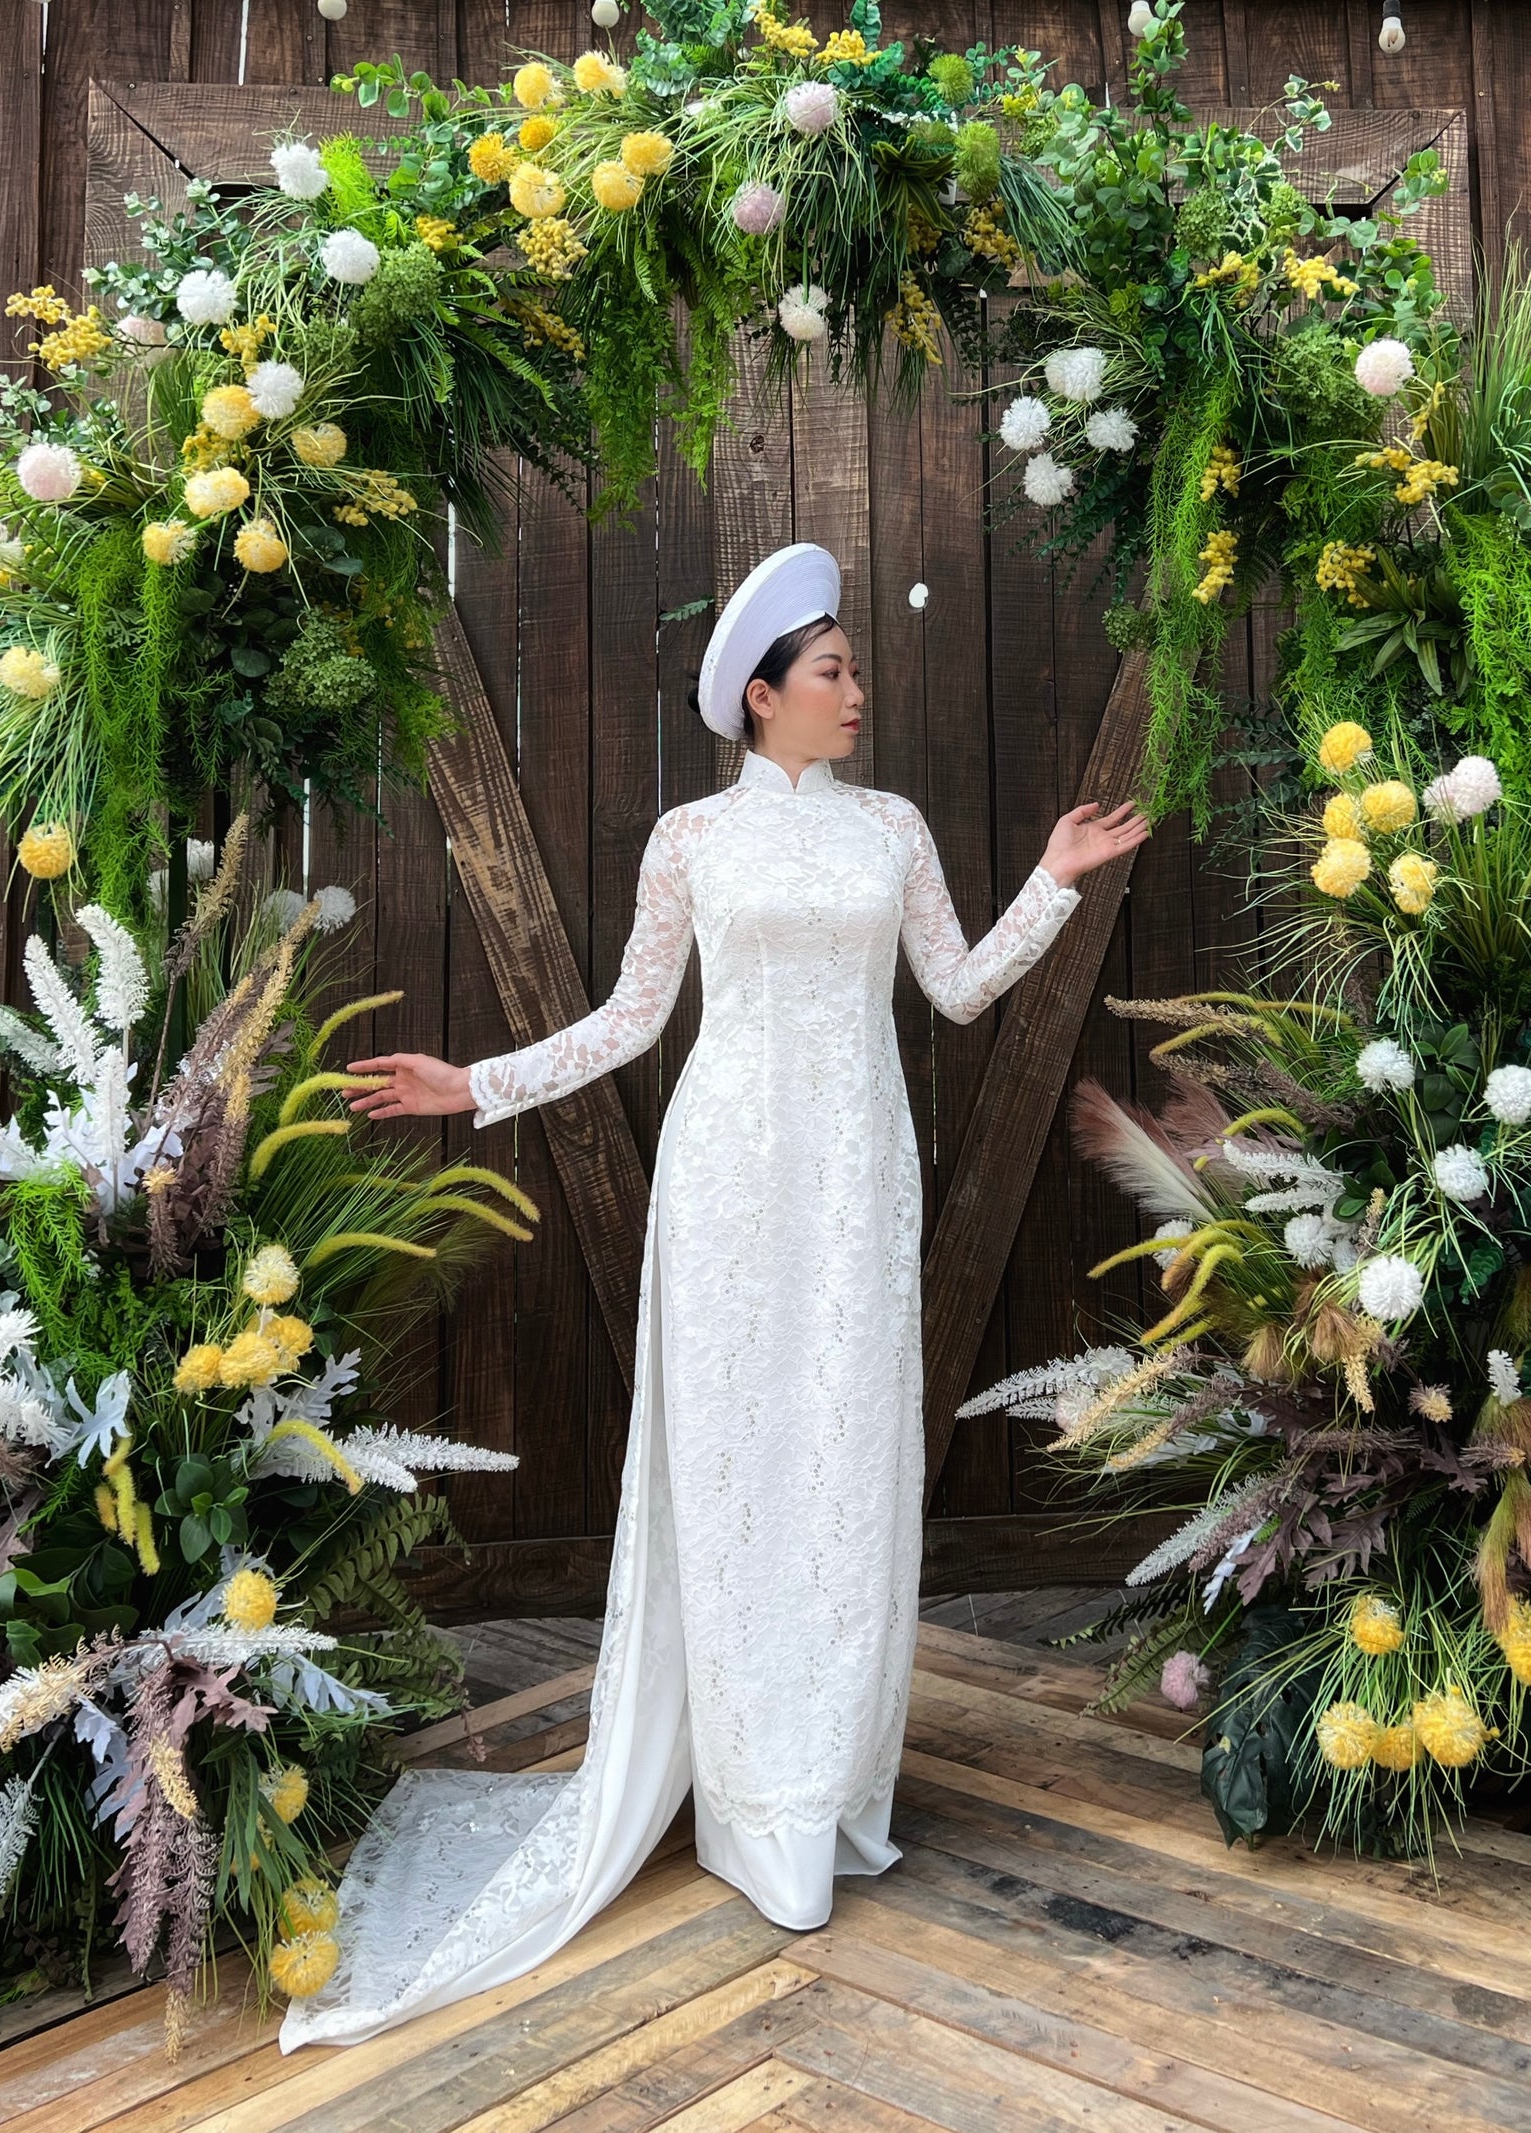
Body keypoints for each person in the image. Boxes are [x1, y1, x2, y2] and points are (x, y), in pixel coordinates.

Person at [279, 542, 1150, 2051]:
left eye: (855, 667)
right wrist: (473, 1081)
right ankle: (752, 1803)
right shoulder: (690, 837)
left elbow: (950, 989)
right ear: (764, 695)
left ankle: (828, 1795)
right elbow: (631, 1019)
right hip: (733, 1179)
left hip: (860, 1175)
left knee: (849, 1468)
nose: (860, 690)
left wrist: (1051, 889)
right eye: (835, 671)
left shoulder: (894, 827)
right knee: (742, 1467)